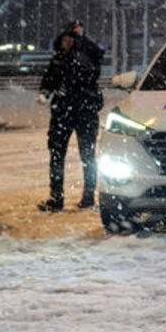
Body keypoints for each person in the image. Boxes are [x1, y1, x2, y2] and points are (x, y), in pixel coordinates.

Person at [36, 21, 105, 212]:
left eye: (70, 39)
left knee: (87, 155)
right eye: (65, 39)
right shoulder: (59, 59)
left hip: (82, 111)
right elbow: (50, 79)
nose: (67, 42)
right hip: (66, 112)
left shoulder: (86, 56)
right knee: (58, 153)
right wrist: (45, 91)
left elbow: (94, 61)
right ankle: (57, 197)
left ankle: (87, 197)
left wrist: (81, 39)